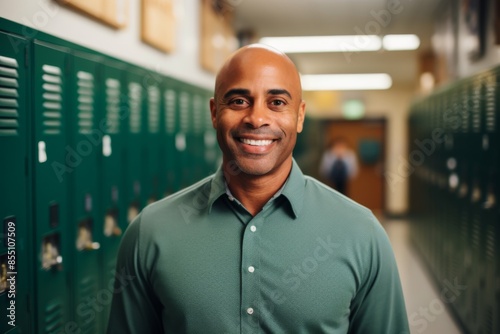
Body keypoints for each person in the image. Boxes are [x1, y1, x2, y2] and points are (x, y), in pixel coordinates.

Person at [107, 44, 409, 333]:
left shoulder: (361, 233)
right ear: (214, 113)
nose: (257, 118)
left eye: (277, 102)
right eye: (239, 101)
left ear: (300, 116)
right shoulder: (151, 232)